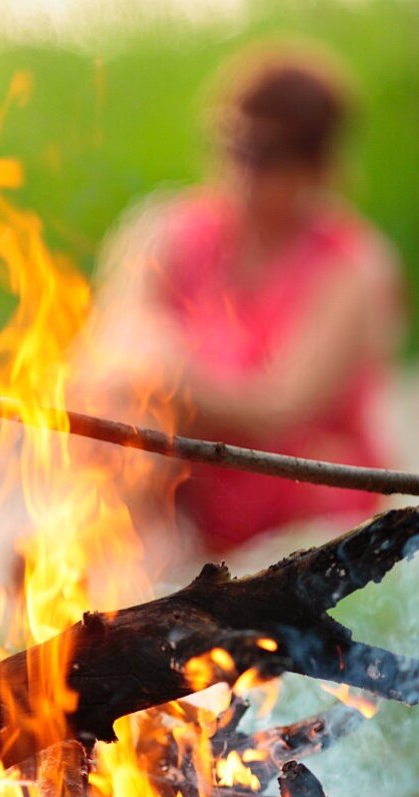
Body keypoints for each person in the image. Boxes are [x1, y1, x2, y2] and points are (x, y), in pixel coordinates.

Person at [75, 43, 405, 566]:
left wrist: (173, 373)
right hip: (189, 482)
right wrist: (148, 369)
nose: (243, 170)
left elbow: (280, 404)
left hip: (296, 502)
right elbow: (111, 340)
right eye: (233, 146)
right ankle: (104, 580)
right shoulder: (169, 229)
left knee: (148, 406)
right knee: (123, 416)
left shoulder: (353, 268)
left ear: (316, 166)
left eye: (267, 157)